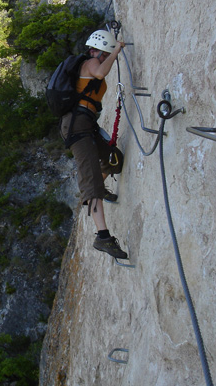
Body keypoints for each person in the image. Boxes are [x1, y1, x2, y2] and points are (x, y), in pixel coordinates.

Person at [60, 29, 128, 259]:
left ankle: (98, 184)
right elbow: (100, 72)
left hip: (86, 125)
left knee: (113, 159)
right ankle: (103, 237)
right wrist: (117, 50)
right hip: (77, 127)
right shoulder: (90, 64)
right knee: (91, 182)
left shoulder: (92, 63)